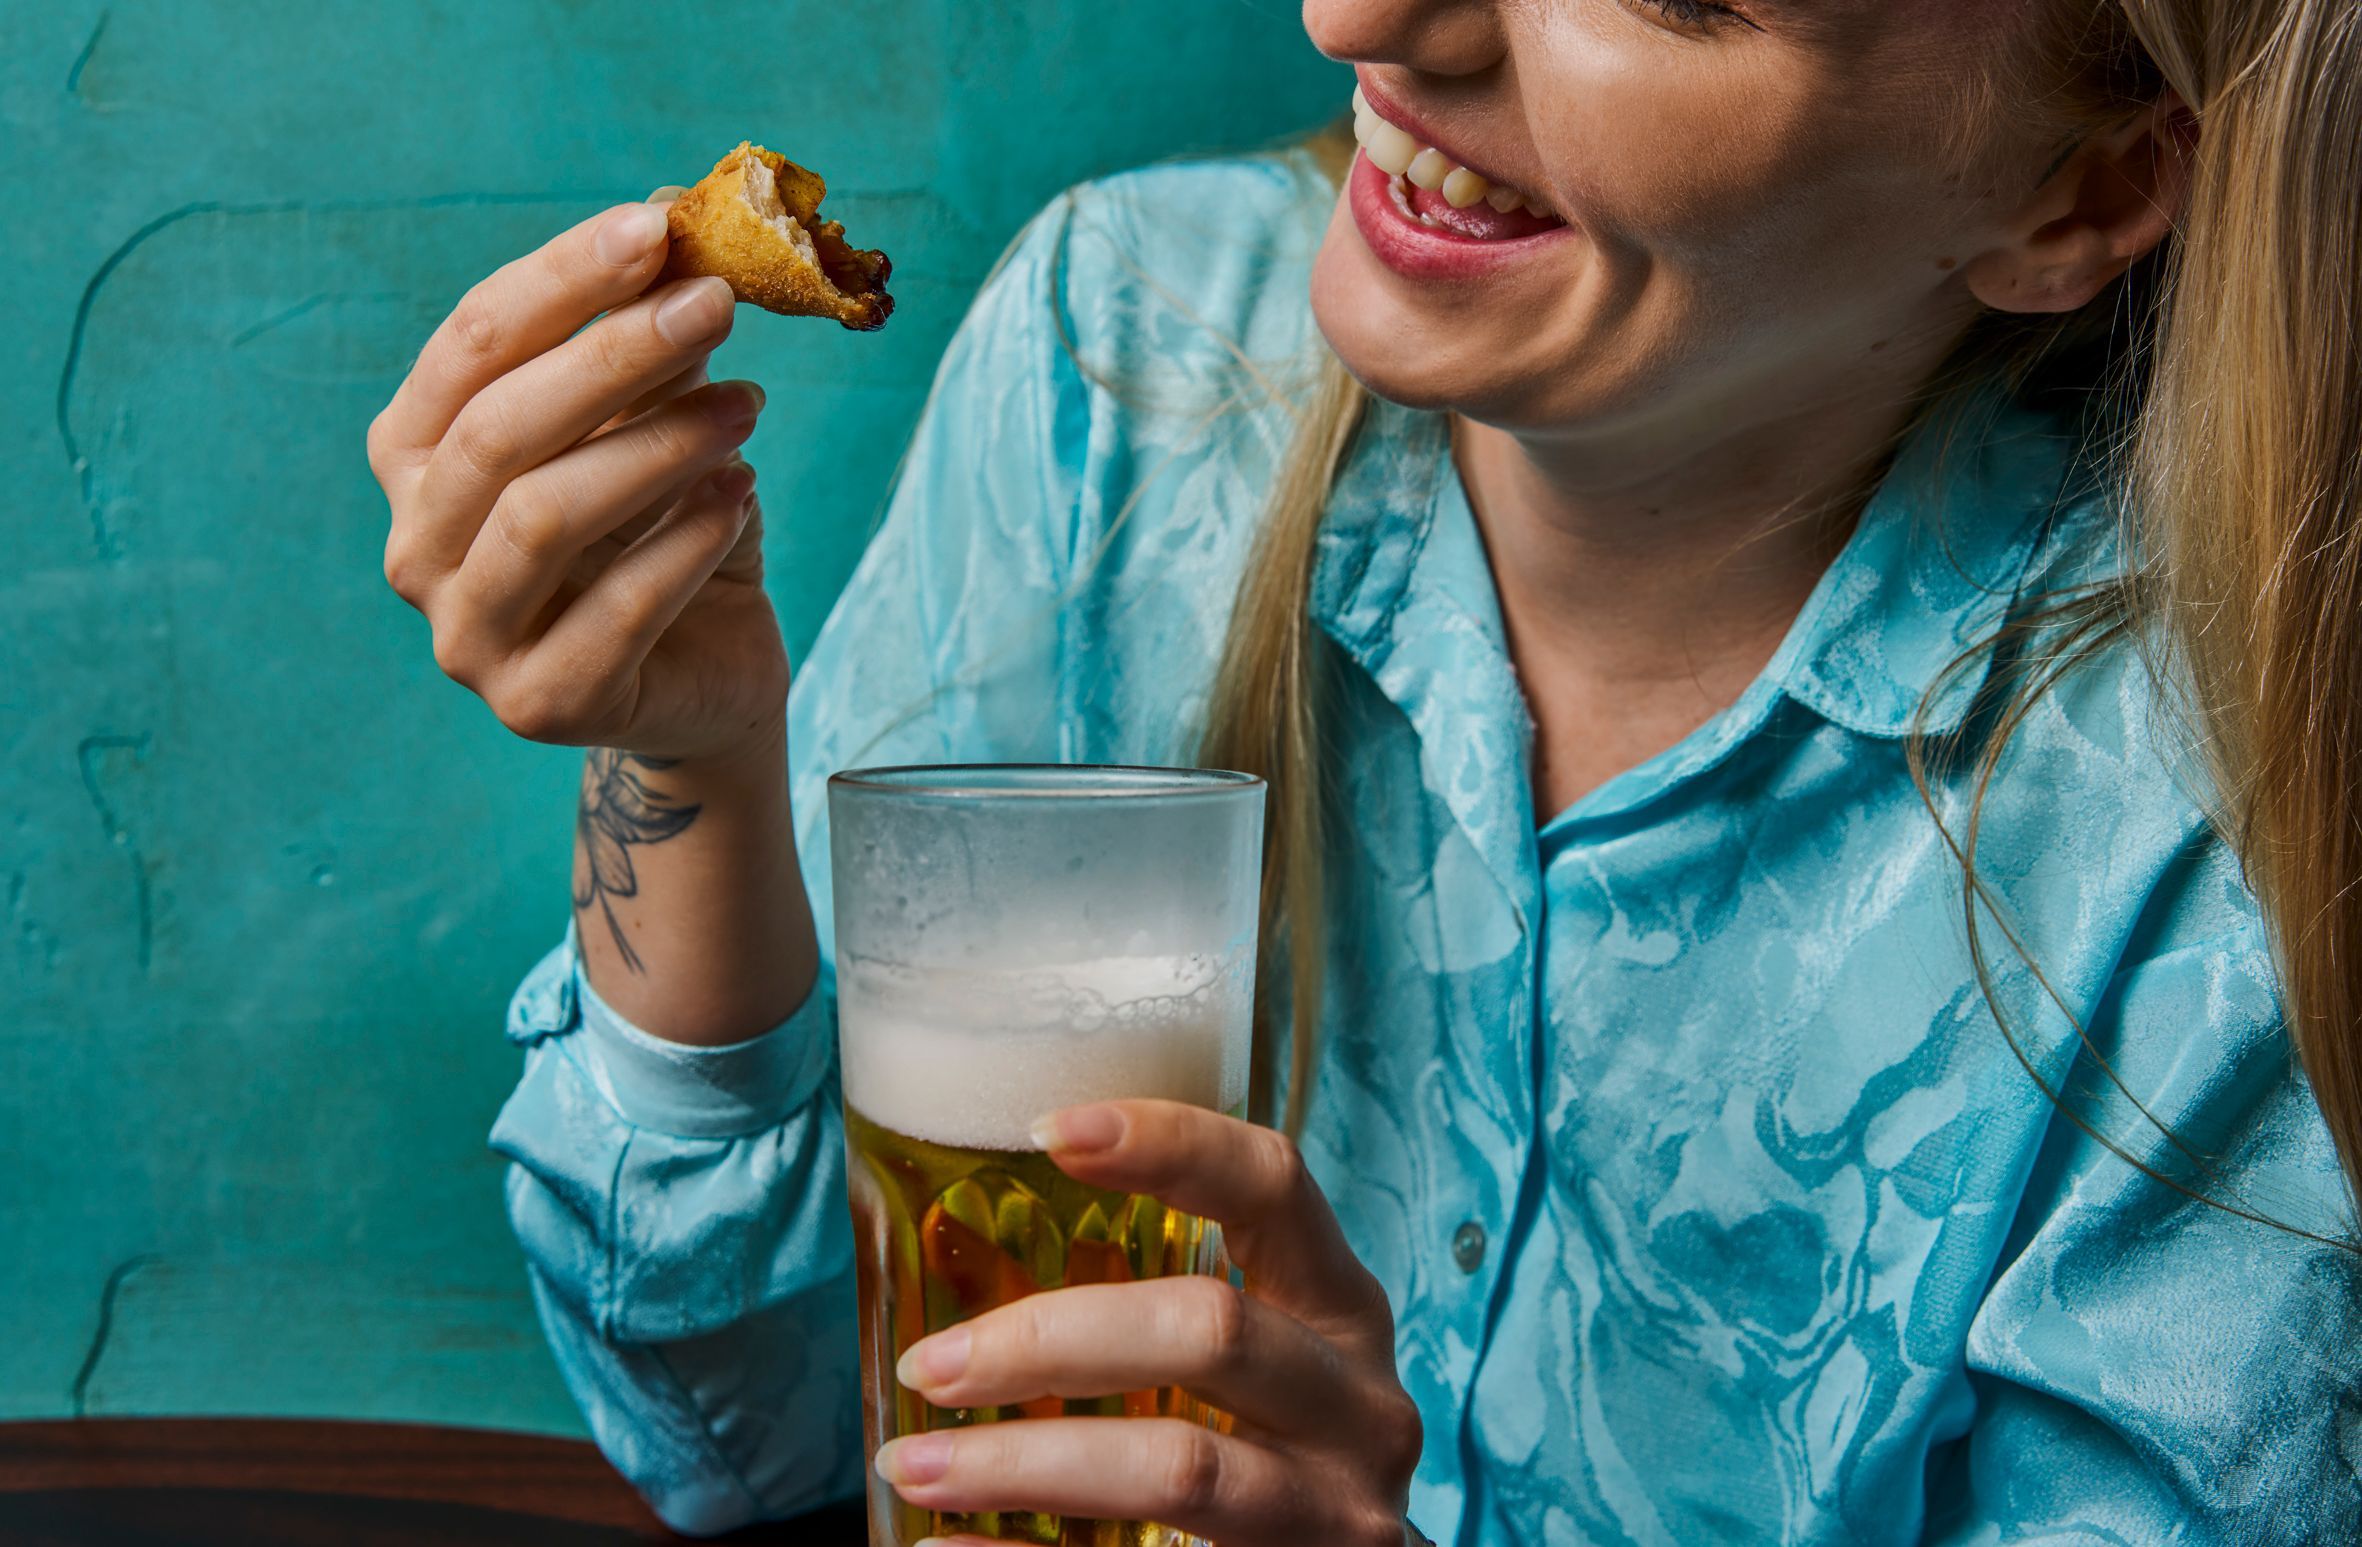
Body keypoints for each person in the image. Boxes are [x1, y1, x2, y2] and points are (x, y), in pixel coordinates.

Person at [368, 1, 2362, 1541]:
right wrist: (687, 756)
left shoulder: (2222, 847)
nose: (1361, 25)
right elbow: (751, 1436)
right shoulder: (1118, 370)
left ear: (2078, 193)